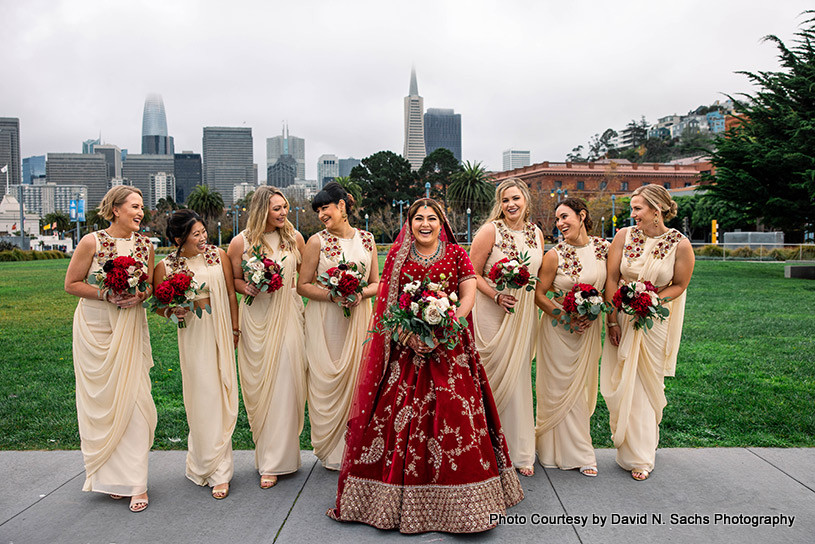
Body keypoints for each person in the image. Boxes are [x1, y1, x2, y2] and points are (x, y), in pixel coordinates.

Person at [328, 198, 523, 534]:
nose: (425, 224)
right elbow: (388, 305)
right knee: (405, 421)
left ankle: (464, 503)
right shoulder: (398, 257)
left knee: (456, 419)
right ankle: (394, 499)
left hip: (450, 349)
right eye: (418, 218)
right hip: (408, 352)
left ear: (441, 222)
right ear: (410, 222)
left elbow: (468, 293)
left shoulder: (457, 253)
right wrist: (409, 335)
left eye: (432, 218)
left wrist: (448, 323)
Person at [64, 186, 157, 513]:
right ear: (115, 208)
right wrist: (106, 294)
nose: (140, 212)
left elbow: (149, 287)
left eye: (142, 207)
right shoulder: (91, 242)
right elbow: (71, 283)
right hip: (95, 328)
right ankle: (112, 478)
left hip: (129, 325)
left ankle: (136, 483)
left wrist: (139, 296)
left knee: (134, 399)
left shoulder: (146, 245)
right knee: (101, 401)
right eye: (135, 206)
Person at [601, 184, 695, 481]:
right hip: (623, 319)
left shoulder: (680, 244)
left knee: (645, 384)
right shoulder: (623, 237)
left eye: (638, 209)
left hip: (654, 323)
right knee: (621, 382)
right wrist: (613, 320)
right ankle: (626, 448)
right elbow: (612, 278)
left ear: (657, 210)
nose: (633, 214)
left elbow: (680, 284)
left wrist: (653, 301)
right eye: (633, 208)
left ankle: (641, 456)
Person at [155, 210, 239, 499]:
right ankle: (205, 463)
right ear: (179, 239)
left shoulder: (219, 255)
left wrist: (235, 329)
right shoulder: (166, 265)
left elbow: (230, 293)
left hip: (222, 332)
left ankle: (221, 470)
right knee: (203, 396)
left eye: (204, 232)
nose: (204, 238)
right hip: (193, 337)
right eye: (196, 234)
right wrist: (171, 310)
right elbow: (158, 305)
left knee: (223, 392)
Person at [227, 186, 306, 489]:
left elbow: (305, 275)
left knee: (286, 383)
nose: (283, 213)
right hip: (256, 321)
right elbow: (233, 278)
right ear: (262, 210)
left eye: (285, 207)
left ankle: (278, 461)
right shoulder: (241, 242)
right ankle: (266, 456)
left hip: (287, 317)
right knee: (261, 387)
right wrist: (245, 286)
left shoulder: (295, 238)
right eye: (277, 208)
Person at [296, 182, 379, 470]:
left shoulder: (367, 240)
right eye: (317, 210)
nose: (321, 214)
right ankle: (331, 450)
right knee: (325, 381)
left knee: (359, 380)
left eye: (325, 208)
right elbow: (303, 286)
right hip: (325, 321)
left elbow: (376, 284)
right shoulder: (316, 241)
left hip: (359, 320)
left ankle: (355, 447)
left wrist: (358, 294)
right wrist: (333, 295)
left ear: (341, 206)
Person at [469, 178, 543, 476]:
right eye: (505, 200)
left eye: (515, 198)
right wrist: (497, 294)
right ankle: (484, 449)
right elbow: (471, 273)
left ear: (526, 198)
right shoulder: (490, 231)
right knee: (490, 377)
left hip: (523, 314)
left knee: (518, 381)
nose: (511, 204)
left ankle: (519, 451)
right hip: (490, 312)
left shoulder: (536, 232)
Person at [534, 198, 608, 477]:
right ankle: (558, 451)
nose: (560, 223)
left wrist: (598, 313)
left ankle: (579, 450)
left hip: (588, 331)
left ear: (582, 216)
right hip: (557, 331)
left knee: (581, 390)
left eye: (565, 217)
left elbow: (610, 287)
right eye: (557, 219)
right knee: (556, 390)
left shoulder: (604, 249)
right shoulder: (554, 255)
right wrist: (566, 318)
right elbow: (539, 296)